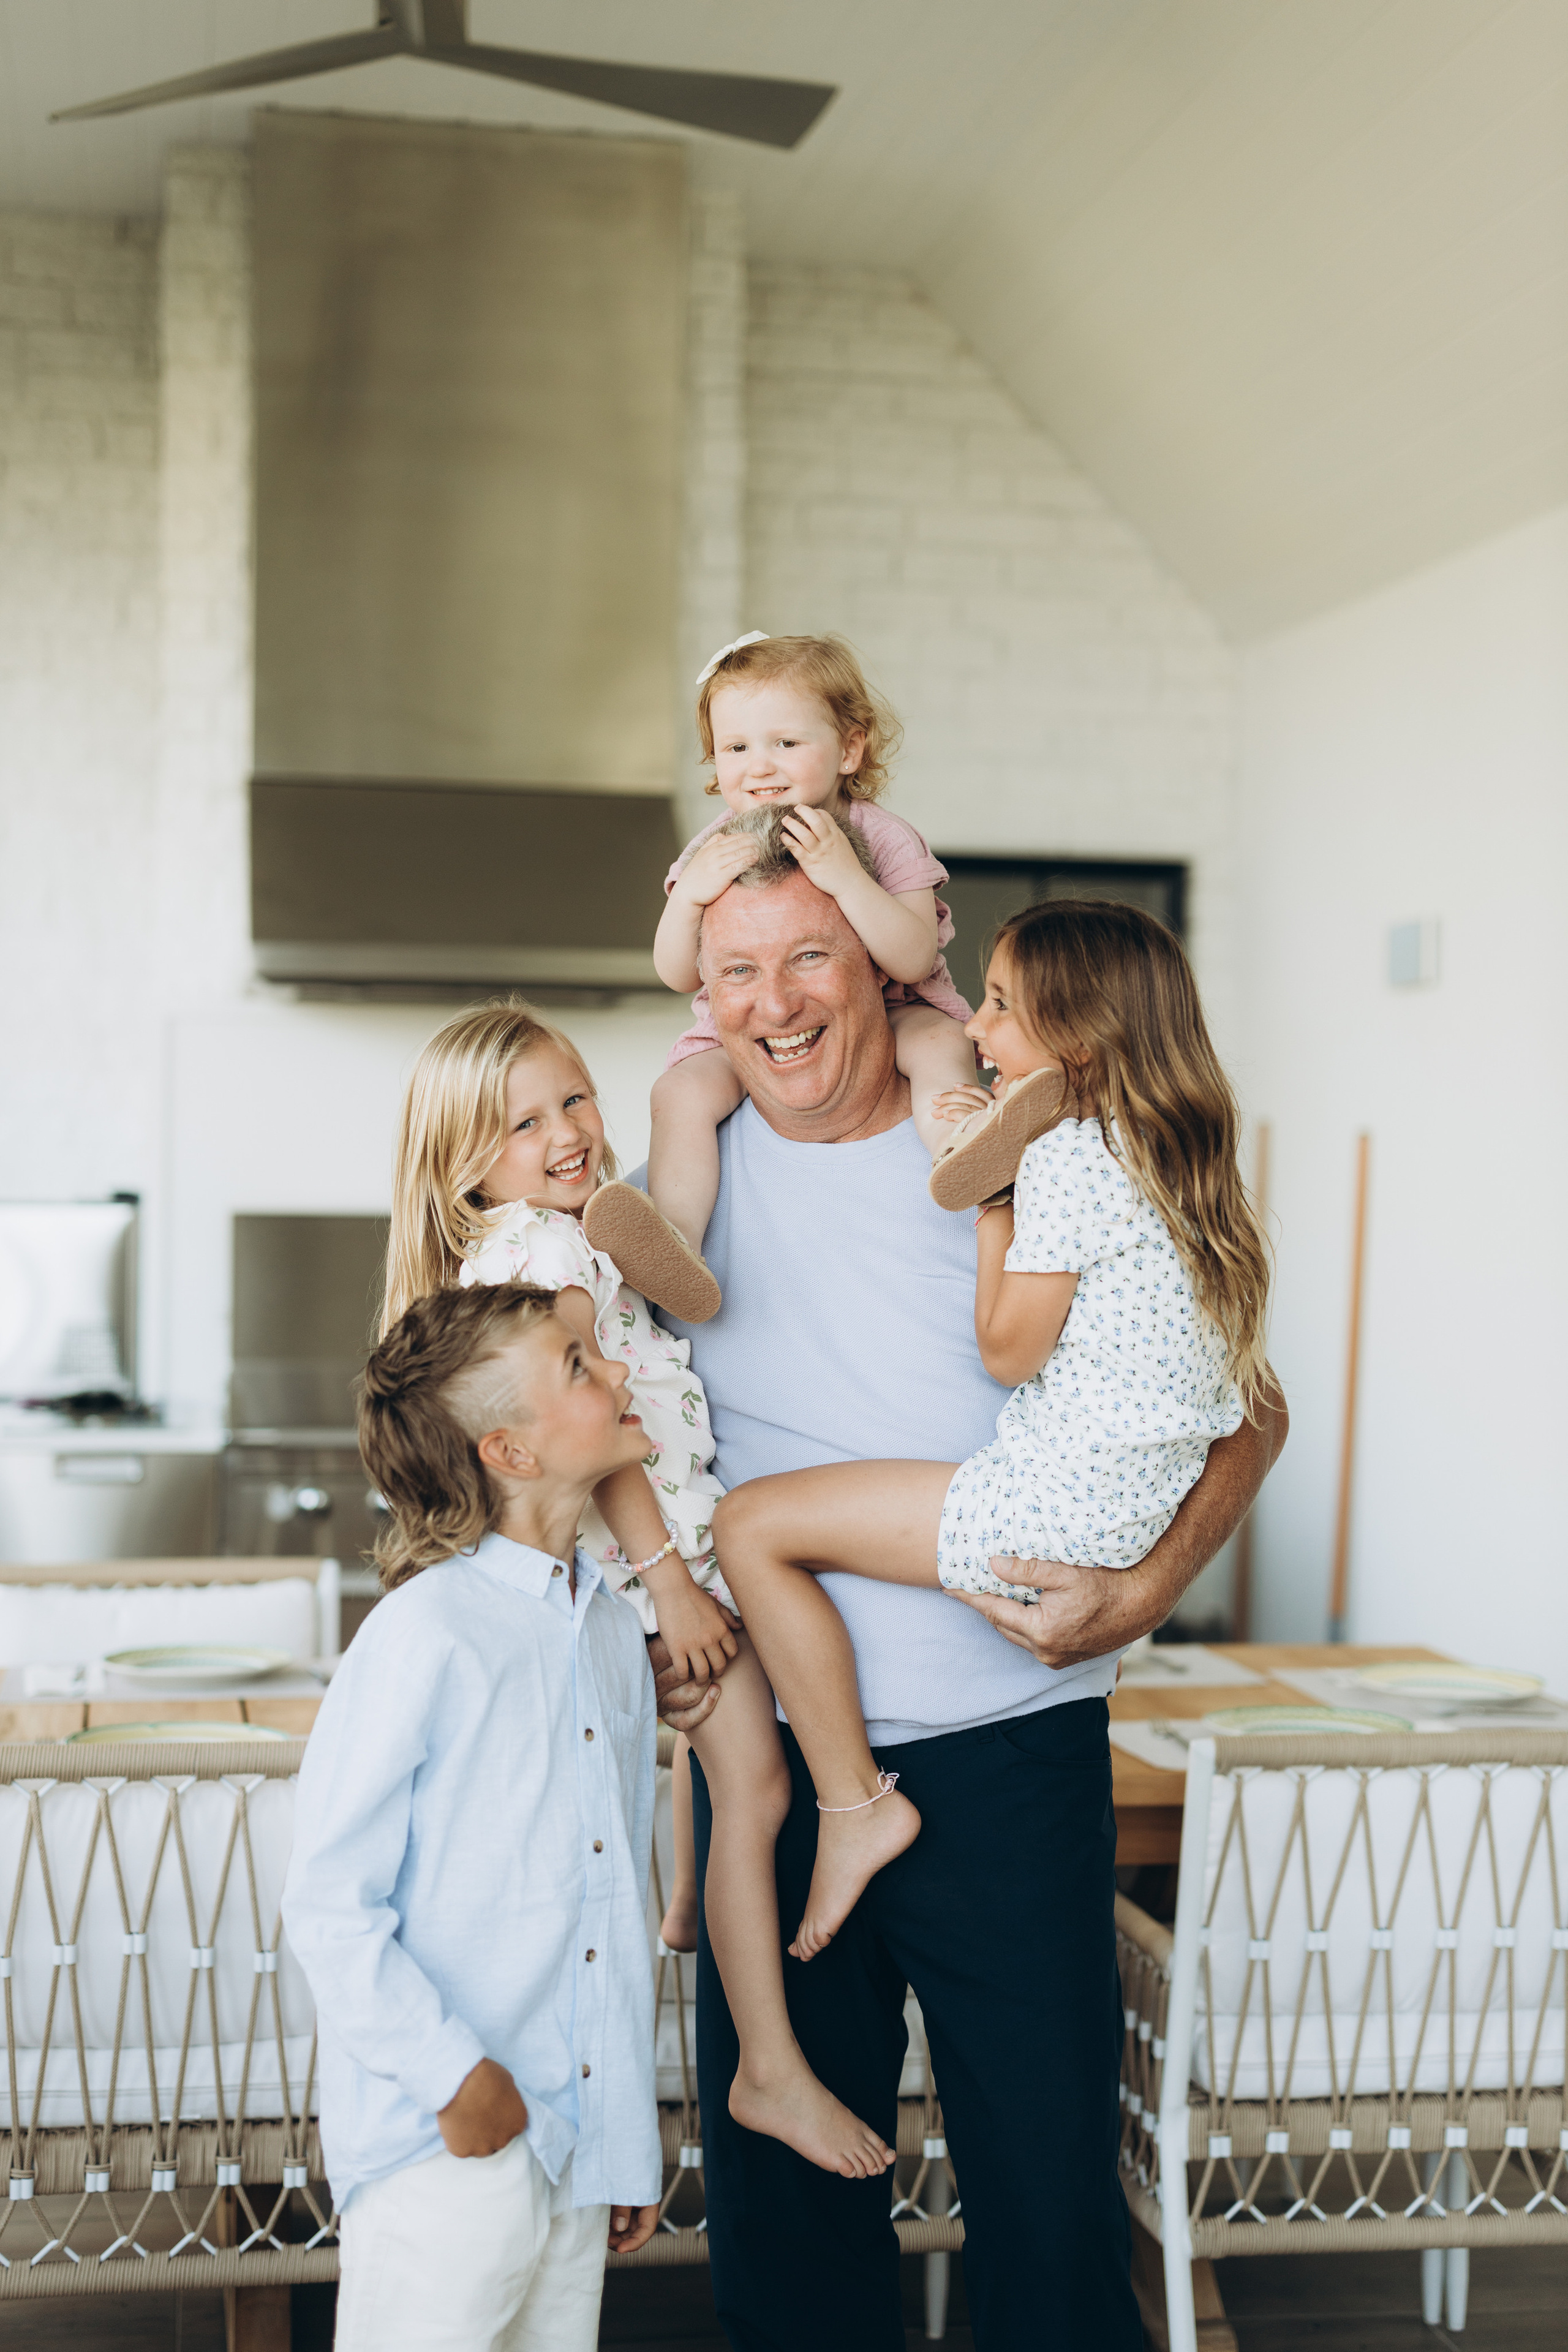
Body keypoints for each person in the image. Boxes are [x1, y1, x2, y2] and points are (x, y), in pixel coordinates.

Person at [647, 824, 1289, 2351]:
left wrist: (1133, 1596)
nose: (780, 1003)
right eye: (738, 971)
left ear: (882, 964)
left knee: (1051, 2223)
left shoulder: (1032, 1152)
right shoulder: (668, 1194)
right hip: (782, 1780)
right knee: (787, 2240)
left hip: (1012, 1747)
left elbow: (1247, 1409)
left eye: (812, 955)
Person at [382, 1000, 892, 2178]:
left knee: (711, 1769)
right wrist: (674, 1586)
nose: (567, 1131)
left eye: (574, 1098)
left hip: (632, 1570)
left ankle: (680, 1905)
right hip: (655, 1564)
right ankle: (765, 2067)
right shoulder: (551, 1255)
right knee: (760, 1792)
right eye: (525, 1123)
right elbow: (593, 1432)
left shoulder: (514, 1250)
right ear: (468, 1164)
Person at [711, 897, 1270, 1963]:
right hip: (1110, 1521)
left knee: (751, 1527)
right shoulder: (1185, 1171)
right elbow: (1227, 1387)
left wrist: (994, 1200)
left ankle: (851, 1804)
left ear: (1082, 1044)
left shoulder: (1061, 1162)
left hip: (1041, 1530)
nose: (973, 1027)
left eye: (1004, 1007)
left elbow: (1008, 1350)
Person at [281, 1281, 662, 2351]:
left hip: (572, 2146)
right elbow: (329, 1904)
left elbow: (610, 1903)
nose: (620, 1372)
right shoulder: (423, 1635)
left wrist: (619, 2141)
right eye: (580, 1368)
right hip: (446, 2145)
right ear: (511, 1451)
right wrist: (459, 2080)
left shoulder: (608, 1636)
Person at [581, 632, 979, 1322]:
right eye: (736, 748)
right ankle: (677, 1244)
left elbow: (912, 957)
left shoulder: (882, 838)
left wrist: (846, 880)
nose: (759, 766)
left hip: (895, 1007)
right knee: (679, 1092)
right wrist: (688, 896)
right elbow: (678, 973)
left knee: (942, 1048)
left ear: (850, 749)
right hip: (751, 1036)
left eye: (785, 744)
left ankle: (962, 1153)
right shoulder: (713, 847)